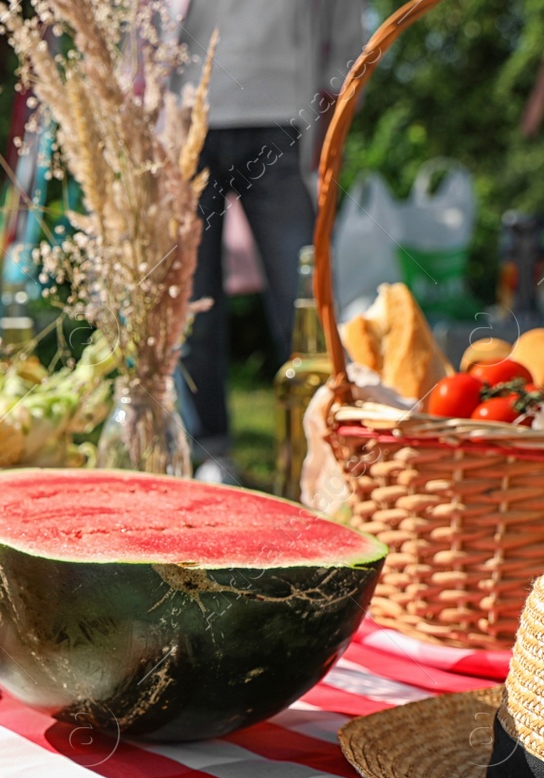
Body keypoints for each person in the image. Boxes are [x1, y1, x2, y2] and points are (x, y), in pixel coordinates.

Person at [175, 0, 367, 484]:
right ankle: (211, 451)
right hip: (188, 112)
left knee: (305, 296)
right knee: (196, 302)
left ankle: (327, 445)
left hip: (282, 109)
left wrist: (338, 85)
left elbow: (345, 14)